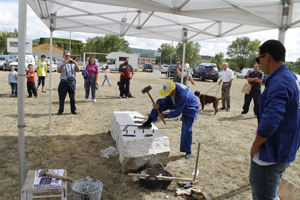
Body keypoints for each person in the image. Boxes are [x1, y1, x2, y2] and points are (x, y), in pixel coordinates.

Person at [249, 40, 300, 200]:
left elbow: (271, 121)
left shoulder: (280, 81)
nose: (259, 63)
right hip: (283, 148)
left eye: (259, 59)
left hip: (271, 152)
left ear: (267, 57)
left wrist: (256, 144)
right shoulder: (289, 77)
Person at [139, 80, 199, 159]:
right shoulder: (171, 88)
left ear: (173, 91)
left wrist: (165, 116)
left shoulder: (182, 95)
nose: (167, 95)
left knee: (186, 128)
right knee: (159, 102)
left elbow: (177, 112)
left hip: (190, 107)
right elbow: (167, 100)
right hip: (176, 102)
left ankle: (188, 150)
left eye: (168, 93)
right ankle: (149, 121)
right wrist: (159, 105)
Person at [57, 51, 80, 115]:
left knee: (72, 97)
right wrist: (64, 64)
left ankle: (73, 110)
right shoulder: (61, 63)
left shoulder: (73, 64)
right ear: (63, 57)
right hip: (63, 82)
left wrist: (75, 64)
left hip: (71, 82)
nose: (68, 57)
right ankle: (60, 110)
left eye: (69, 56)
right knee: (62, 98)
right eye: (66, 56)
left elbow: (78, 71)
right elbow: (58, 71)